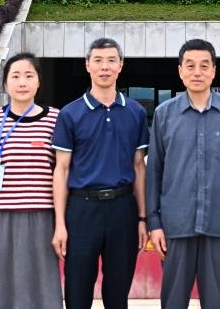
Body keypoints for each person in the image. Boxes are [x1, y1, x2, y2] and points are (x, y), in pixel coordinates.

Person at [147, 39, 220, 309]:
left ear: (214, 71)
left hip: (219, 225)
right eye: (190, 66)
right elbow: (154, 172)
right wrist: (154, 222)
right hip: (175, 225)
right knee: (173, 302)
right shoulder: (164, 114)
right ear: (180, 71)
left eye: (204, 66)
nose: (197, 72)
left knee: (216, 302)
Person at [52, 38, 149, 309]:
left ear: (120, 65)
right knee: (77, 292)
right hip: (82, 210)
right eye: (98, 60)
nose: (104, 67)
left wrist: (142, 218)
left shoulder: (135, 112)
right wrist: (60, 224)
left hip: (123, 209)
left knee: (118, 294)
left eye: (111, 60)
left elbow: (139, 166)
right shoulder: (70, 113)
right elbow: (61, 169)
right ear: (87, 65)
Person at [0, 53, 62, 309]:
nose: (22, 82)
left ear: (38, 81)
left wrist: (62, 222)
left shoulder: (56, 120)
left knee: (39, 281)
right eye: (15, 76)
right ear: (6, 83)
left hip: (41, 217)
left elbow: (63, 172)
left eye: (29, 76)